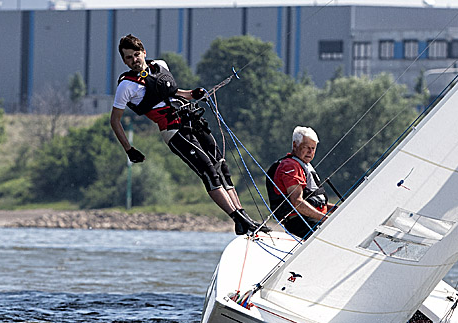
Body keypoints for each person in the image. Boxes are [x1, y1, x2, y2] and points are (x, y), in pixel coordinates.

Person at [109, 34, 265, 236]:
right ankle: (237, 218)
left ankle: (244, 217)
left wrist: (193, 93)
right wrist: (129, 149)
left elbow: (173, 93)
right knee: (208, 171)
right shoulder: (126, 86)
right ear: (124, 61)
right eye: (128, 58)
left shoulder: (160, 65)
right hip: (173, 131)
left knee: (221, 166)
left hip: (192, 120)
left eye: (136, 55)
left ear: (144, 52)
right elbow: (115, 120)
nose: (134, 60)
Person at [266, 126, 335, 239]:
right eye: (306, 147)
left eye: (313, 148)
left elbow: (312, 202)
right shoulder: (290, 166)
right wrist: (326, 219)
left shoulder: (303, 165)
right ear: (295, 145)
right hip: (303, 224)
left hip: (314, 221)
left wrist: (337, 209)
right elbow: (297, 202)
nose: (310, 152)